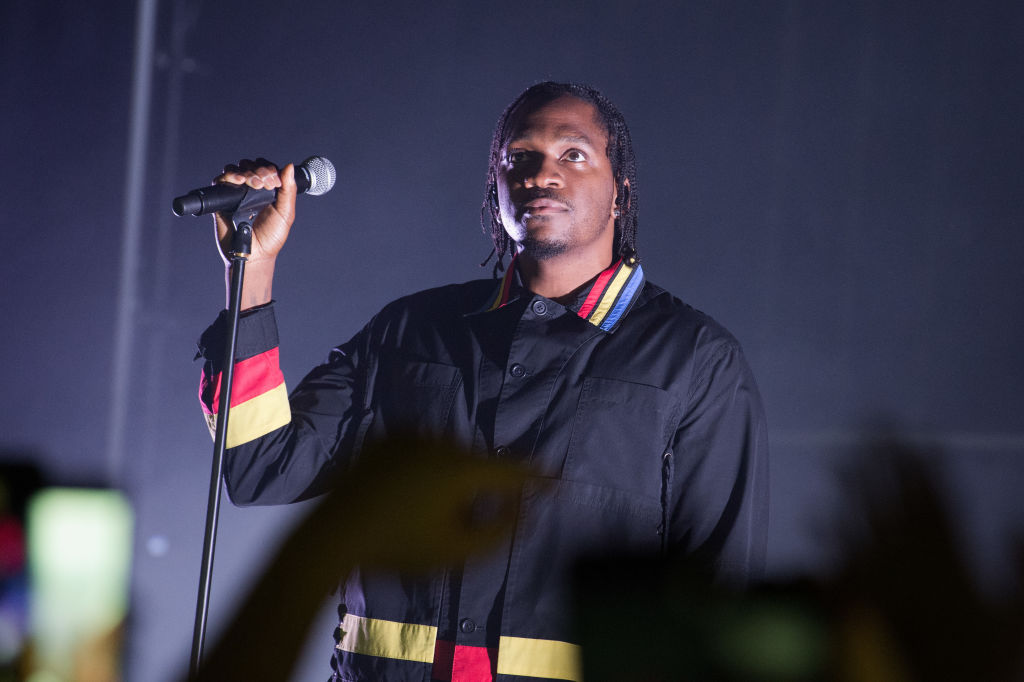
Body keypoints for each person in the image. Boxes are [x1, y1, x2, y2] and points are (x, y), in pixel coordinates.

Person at [196, 81, 769, 682]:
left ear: (620, 193)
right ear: (494, 188)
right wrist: (251, 276)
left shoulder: (695, 363)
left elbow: (721, 603)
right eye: (518, 158)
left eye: (573, 155)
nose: (541, 175)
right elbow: (260, 465)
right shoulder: (410, 332)